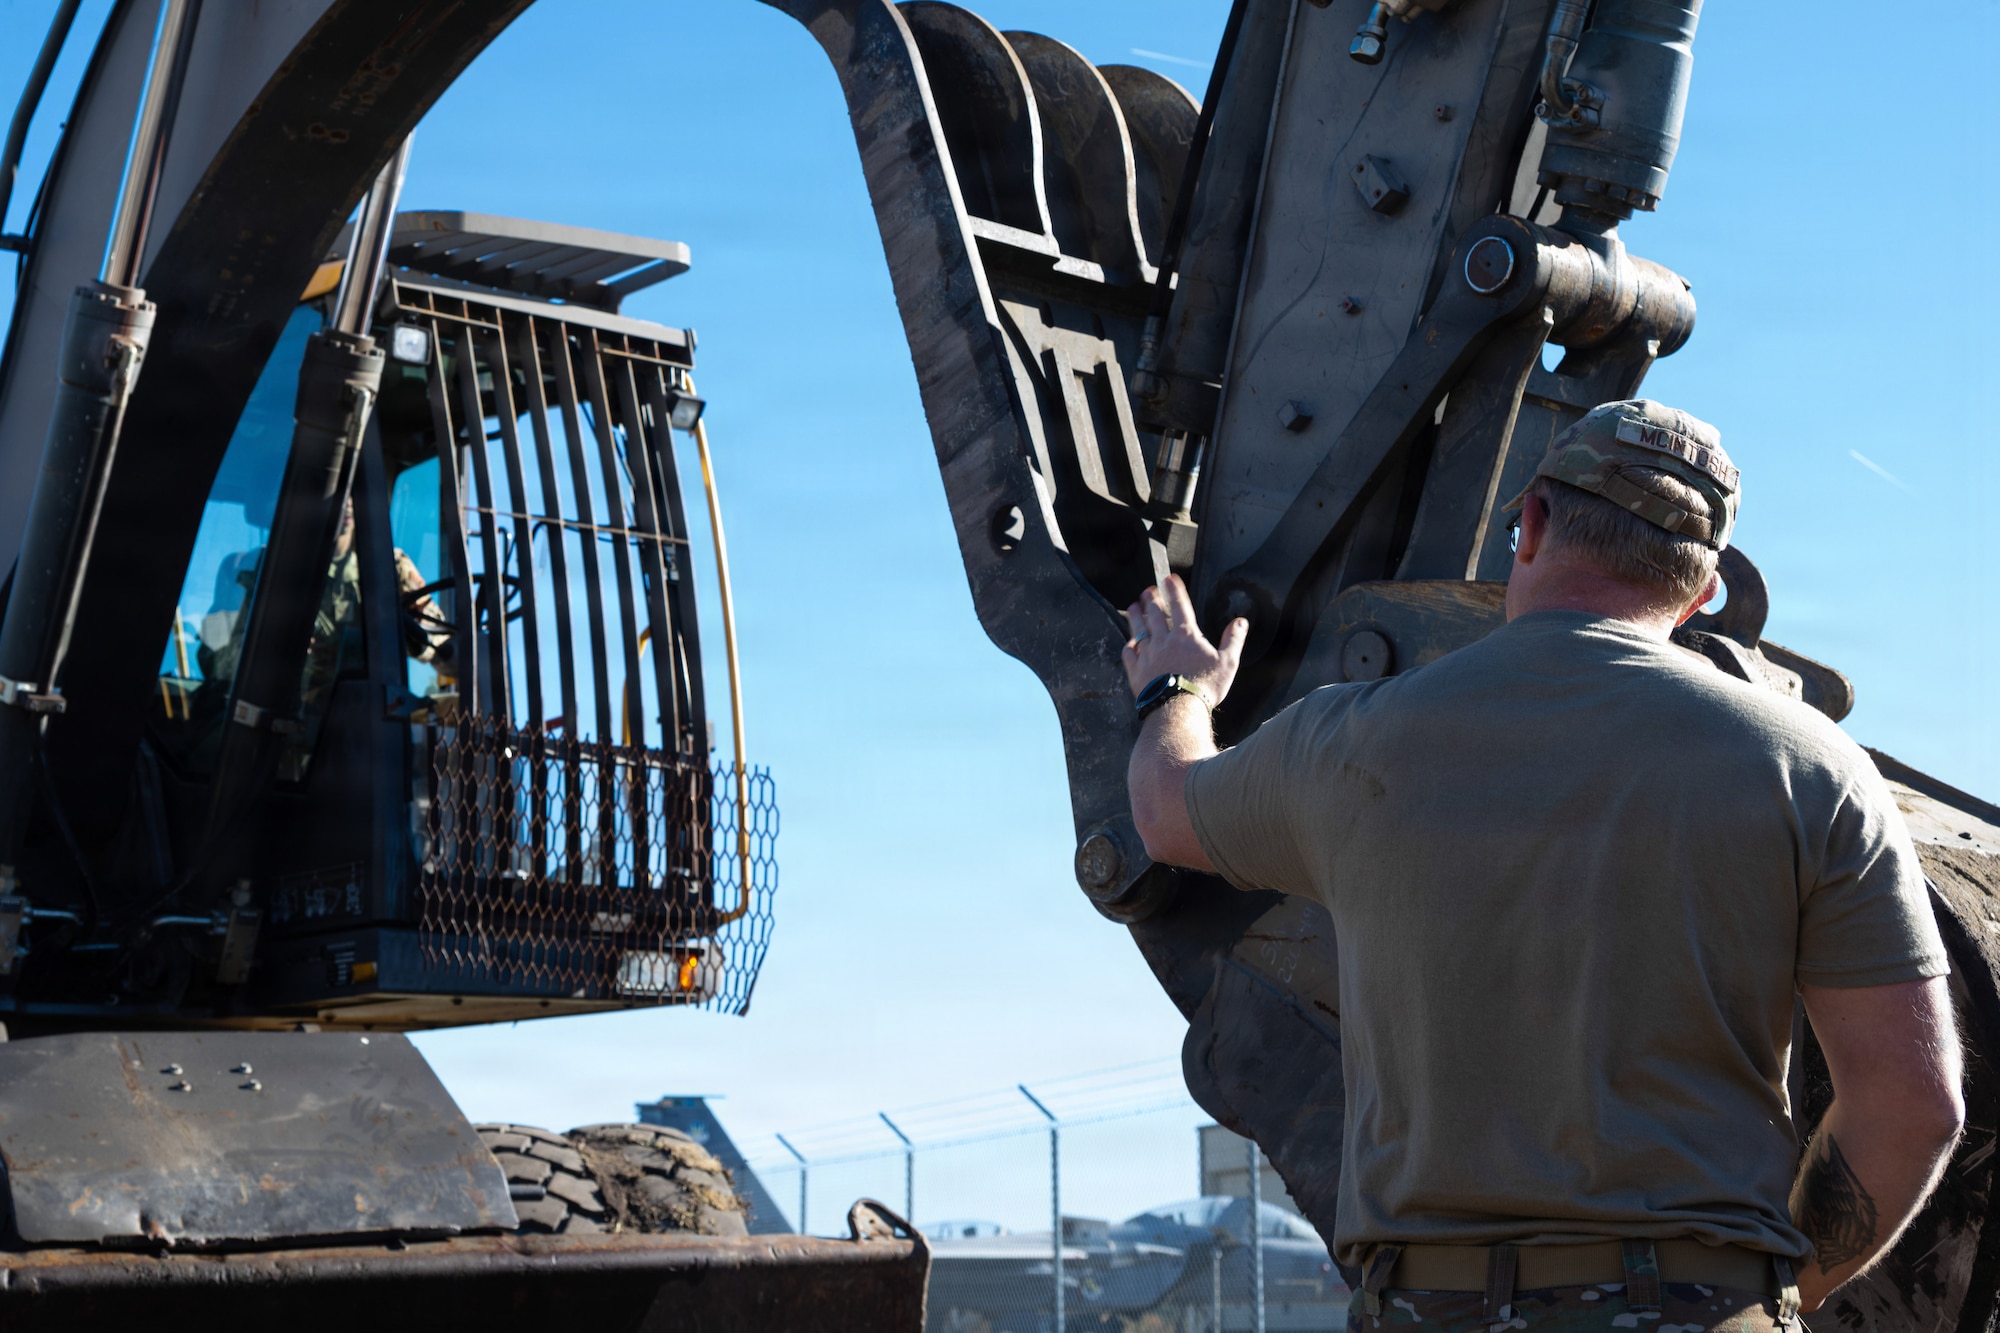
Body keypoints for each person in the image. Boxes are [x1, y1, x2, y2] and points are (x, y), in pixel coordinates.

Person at [1121, 400, 1963, 1331]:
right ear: (1704, 591)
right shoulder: (1813, 768)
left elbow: (1164, 810)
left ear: (1530, 523)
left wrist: (1178, 688)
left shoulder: (1345, 741)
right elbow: (1913, 1102)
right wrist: (1771, 1292)